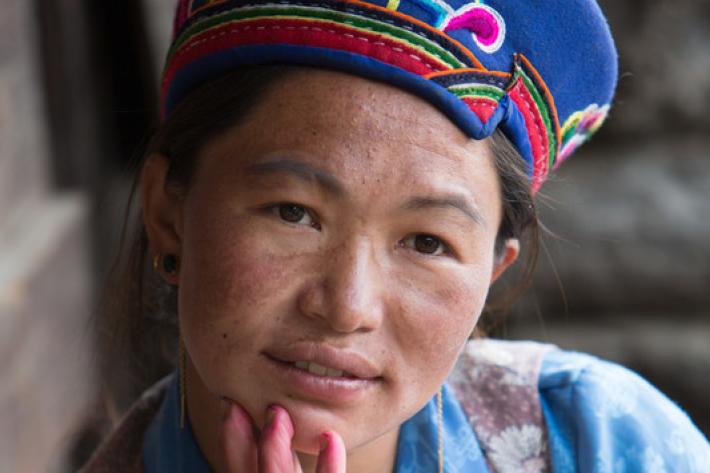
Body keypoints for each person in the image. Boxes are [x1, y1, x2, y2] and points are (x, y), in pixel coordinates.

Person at [80, 0, 710, 471]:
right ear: (169, 213)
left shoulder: (607, 441)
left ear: (491, 274)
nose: (347, 307)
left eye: (427, 243)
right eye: (293, 213)